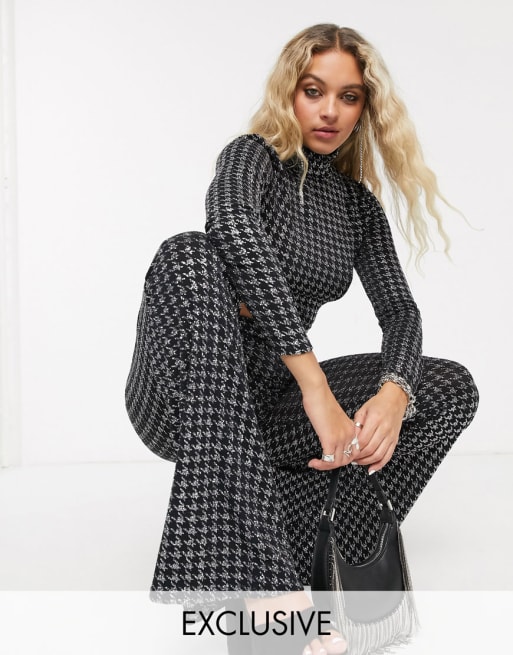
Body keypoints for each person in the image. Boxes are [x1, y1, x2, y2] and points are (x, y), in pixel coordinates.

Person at [125, 23, 479, 655]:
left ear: (366, 108)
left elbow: (401, 312)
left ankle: (306, 547)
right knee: (190, 254)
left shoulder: (356, 206)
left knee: (450, 387)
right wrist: (316, 387)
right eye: (314, 90)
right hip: (182, 395)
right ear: (289, 91)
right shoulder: (252, 159)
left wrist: (394, 392)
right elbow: (232, 225)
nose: (329, 110)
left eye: (348, 96)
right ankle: (273, 590)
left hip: (269, 403)